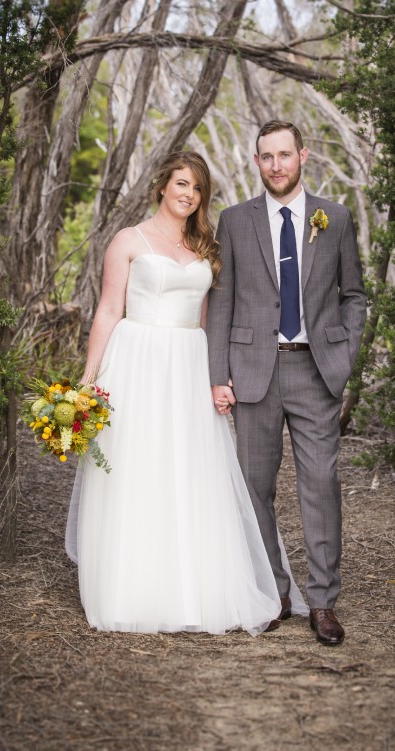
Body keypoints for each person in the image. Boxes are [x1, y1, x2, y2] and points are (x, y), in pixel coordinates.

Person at [65, 151, 282, 635]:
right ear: (162, 185)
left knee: (187, 469)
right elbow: (108, 310)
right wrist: (89, 379)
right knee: (136, 467)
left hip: (188, 361)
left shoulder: (205, 247)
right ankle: (131, 588)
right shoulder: (129, 240)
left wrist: (217, 377)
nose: (189, 194)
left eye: (197, 188)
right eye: (182, 183)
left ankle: (190, 590)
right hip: (136, 360)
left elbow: (209, 319)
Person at [207, 121, 367, 645]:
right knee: (254, 487)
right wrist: (217, 375)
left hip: (315, 370)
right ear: (257, 162)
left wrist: (344, 351)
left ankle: (322, 601)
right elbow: (221, 302)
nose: (276, 165)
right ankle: (273, 591)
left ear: (303, 156)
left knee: (320, 484)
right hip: (252, 372)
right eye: (267, 157)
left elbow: (354, 295)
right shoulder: (234, 221)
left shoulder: (334, 218)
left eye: (285, 155)